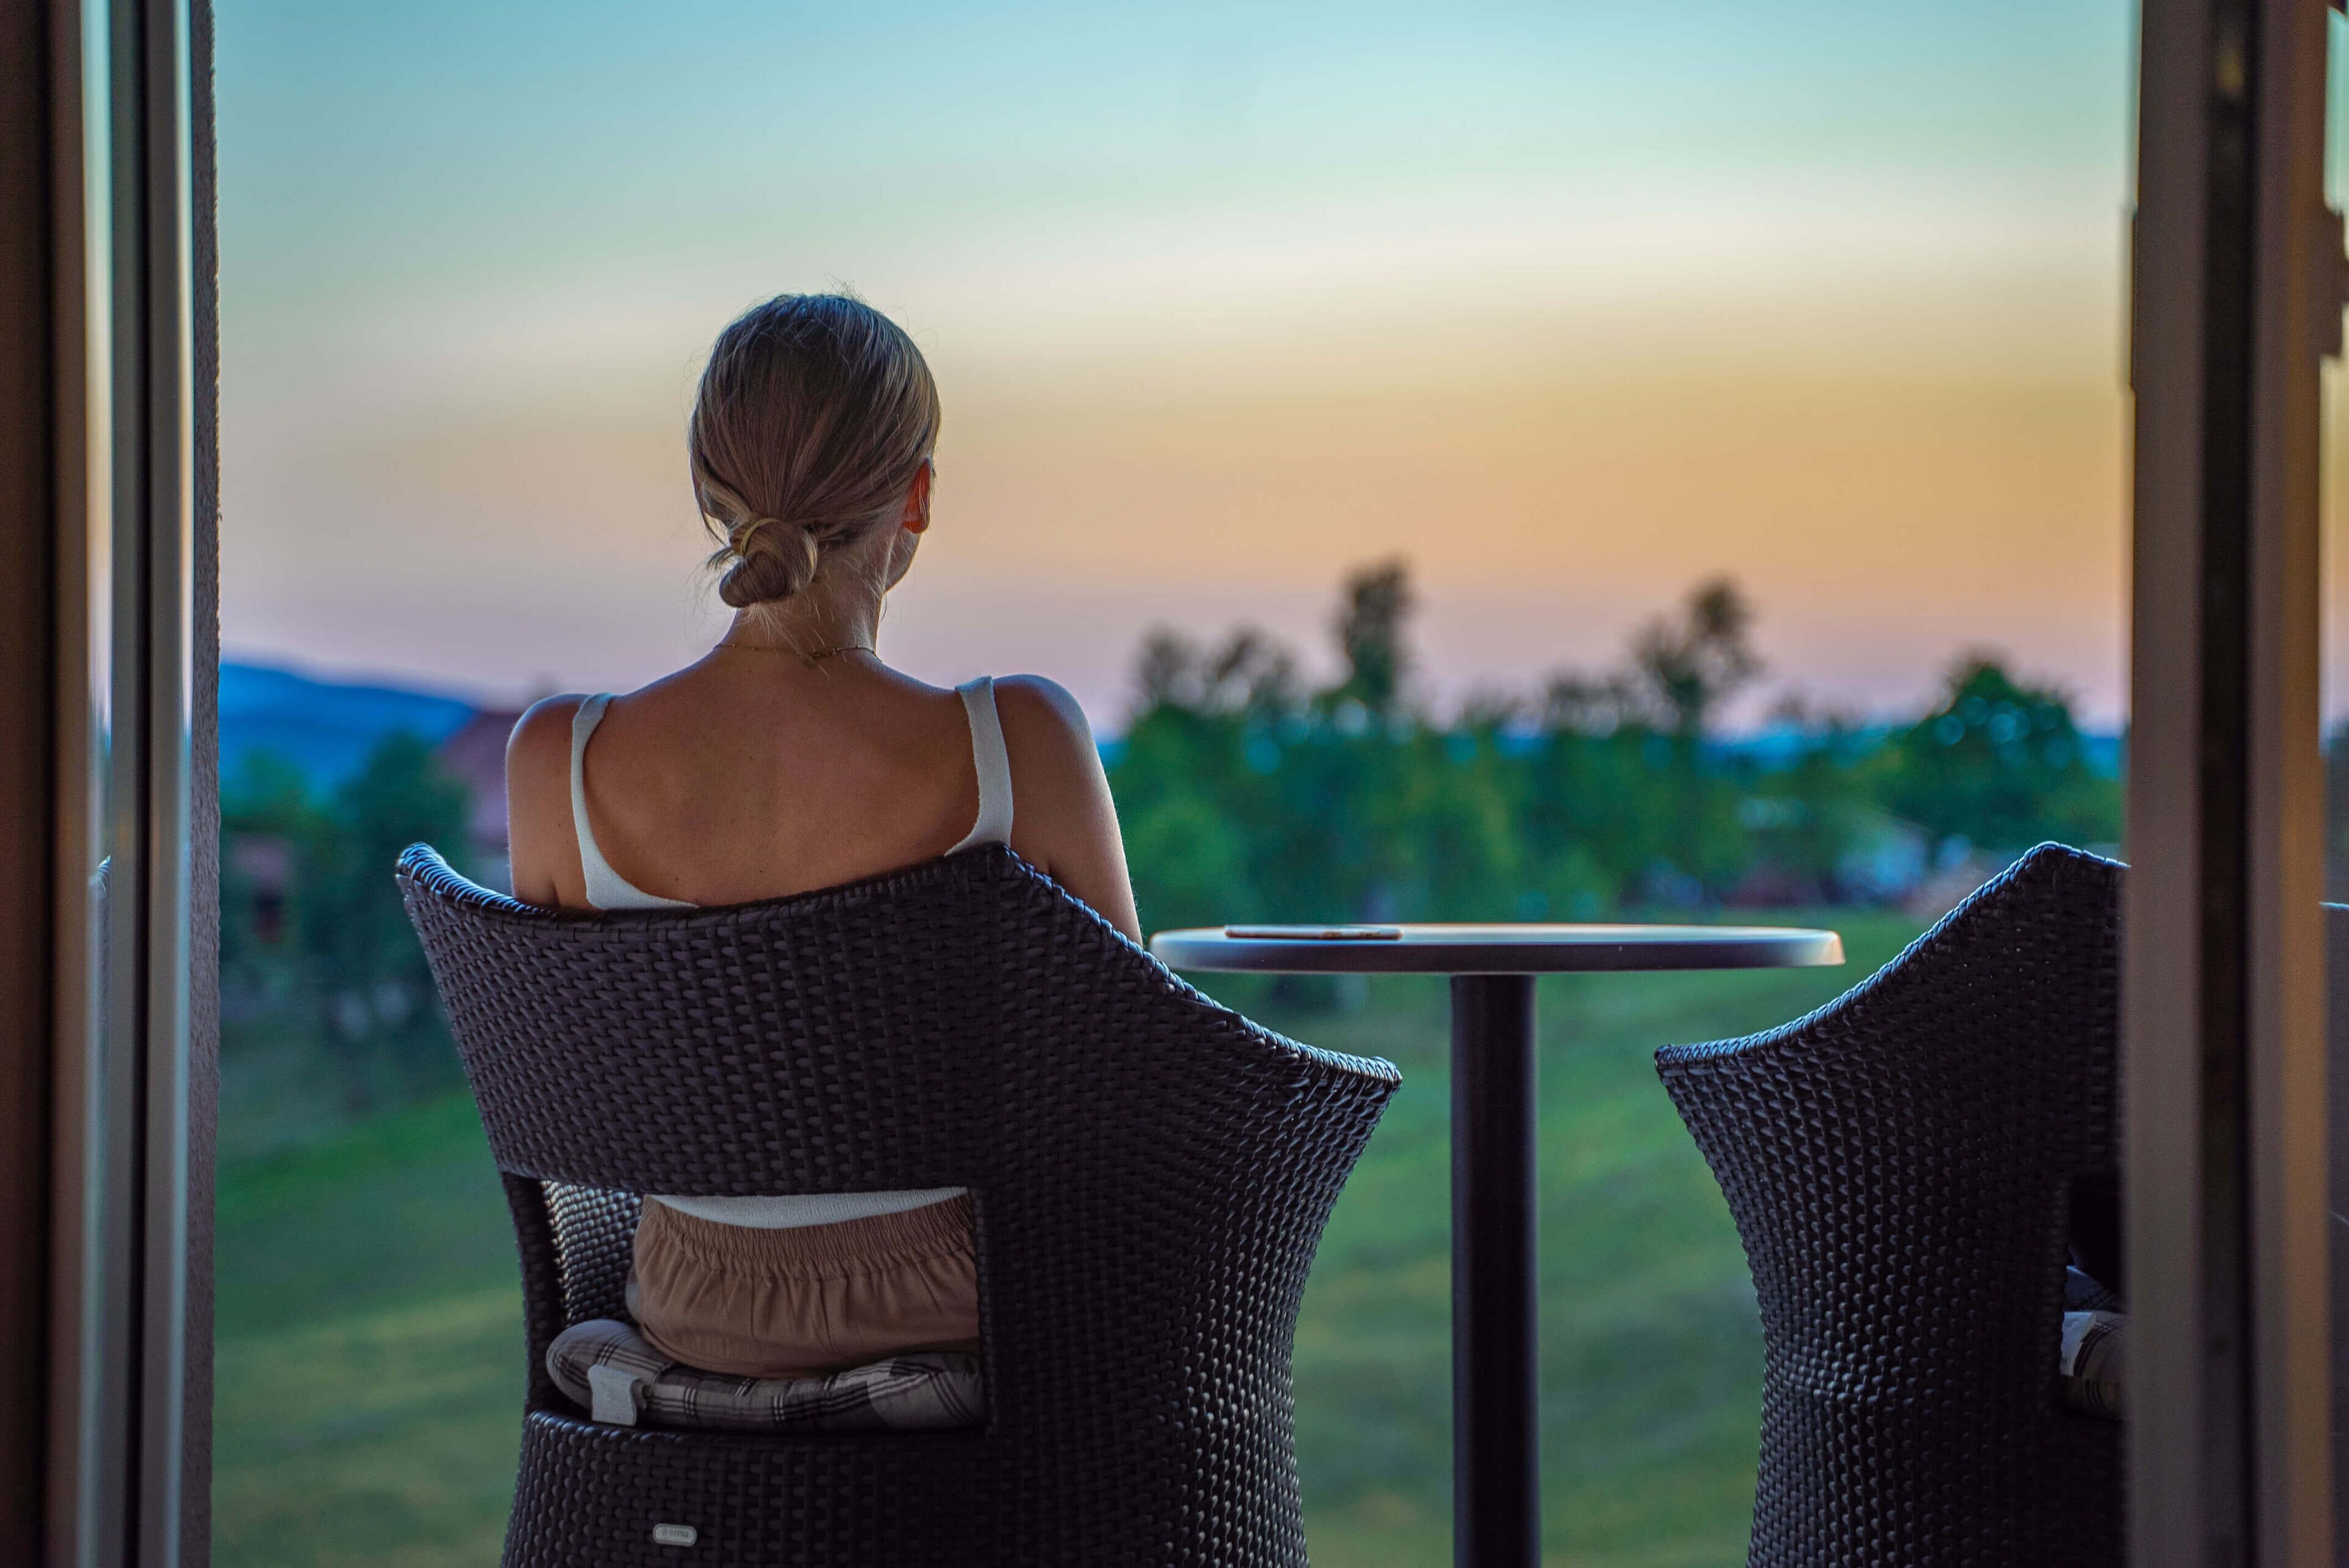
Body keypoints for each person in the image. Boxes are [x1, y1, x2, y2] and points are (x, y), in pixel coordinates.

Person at [505, 292, 1141, 1381]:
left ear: (708, 492)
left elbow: (577, 1091)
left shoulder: (555, 763)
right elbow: (1137, 1076)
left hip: (694, 1313)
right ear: (918, 497)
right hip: (976, 1314)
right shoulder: (1020, 744)